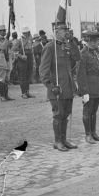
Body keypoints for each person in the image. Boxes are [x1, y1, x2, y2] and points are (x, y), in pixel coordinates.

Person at [39, 21, 78, 152]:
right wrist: (50, 86)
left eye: (67, 30)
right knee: (58, 114)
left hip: (67, 87)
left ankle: (64, 139)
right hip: (57, 89)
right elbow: (43, 70)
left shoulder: (66, 46)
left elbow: (77, 58)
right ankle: (57, 141)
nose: (66, 32)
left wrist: (72, 42)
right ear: (56, 31)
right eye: (63, 30)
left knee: (66, 114)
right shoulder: (50, 47)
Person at [77, 29, 99, 143]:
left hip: (96, 87)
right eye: (92, 42)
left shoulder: (94, 53)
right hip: (88, 88)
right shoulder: (83, 54)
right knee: (87, 112)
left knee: (94, 112)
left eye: (96, 41)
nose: (95, 44)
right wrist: (84, 92)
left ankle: (94, 133)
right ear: (86, 41)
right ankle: (88, 135)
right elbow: (81, 74)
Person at [0, 25, 15, 101]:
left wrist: (10, 43)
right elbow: (1, 47)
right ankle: (2, 96)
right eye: (3, 31)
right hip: (1, 60)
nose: (5, 32)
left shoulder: (6, 39)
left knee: (7, 78)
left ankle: (6, 95)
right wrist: (7, 39)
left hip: (8, 59)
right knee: (2, 78)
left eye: (5, 31)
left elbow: (10, 47)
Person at [12, 26, 35, 98]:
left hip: (29, 57)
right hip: (22, 59)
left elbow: (31, 49)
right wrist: (21, 56)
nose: (28, 33)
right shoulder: (19, 40)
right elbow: (14, 51)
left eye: (28, 32)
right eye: (27, 32)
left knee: (28, 75)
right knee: (23, 76)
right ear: (24, 33)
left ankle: (27, 92)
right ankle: (23, 93)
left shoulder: (30, 39)